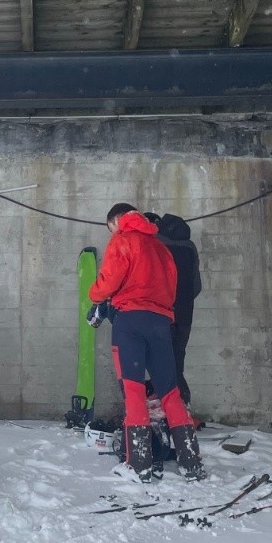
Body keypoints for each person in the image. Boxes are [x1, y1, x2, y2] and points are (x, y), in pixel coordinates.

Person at [88, 203, 204, 481]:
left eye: (110, 227)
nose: (111, 232)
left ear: (116, 220)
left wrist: (95, 296)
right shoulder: (161, 248)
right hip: (162, 323)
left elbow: (108, 281)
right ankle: (191, 463)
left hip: (130, 322)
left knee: (134, 390)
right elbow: (174, 288)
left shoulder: (123, 240)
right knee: (170, 392)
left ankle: (139, 465)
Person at [150, 213, 201, 407]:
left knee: (160, 361)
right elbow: (197, 286)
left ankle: (169, 408)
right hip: (185, 313)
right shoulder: (190, 247)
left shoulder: (155, 244)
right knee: (177, 359)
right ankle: (182, 402)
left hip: (162, 313)